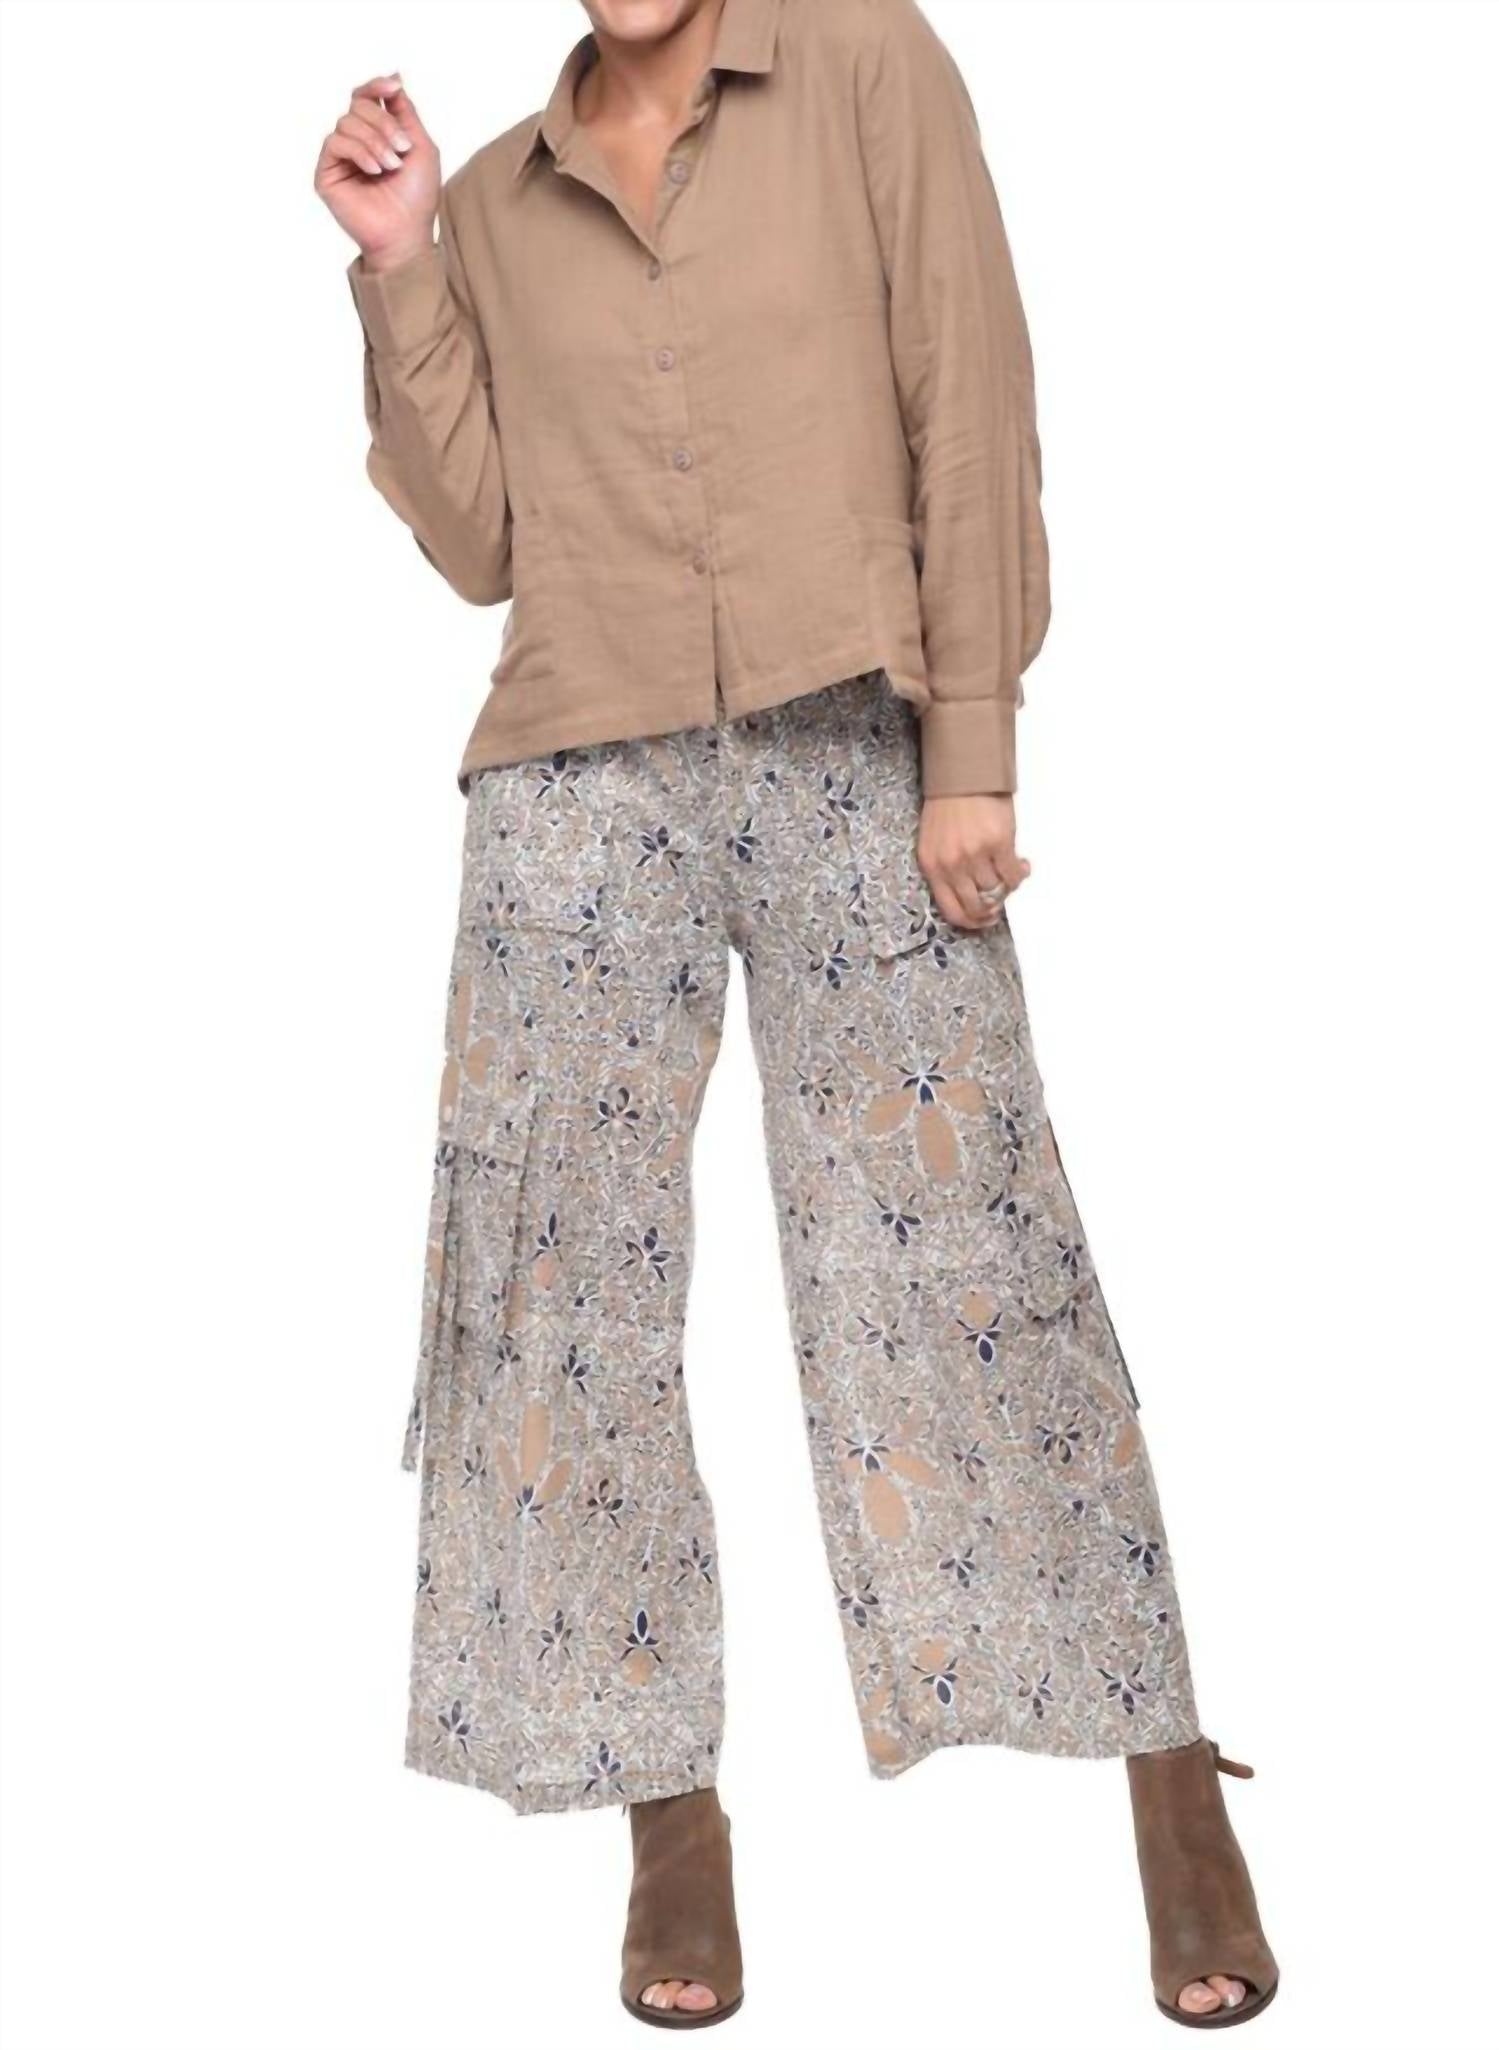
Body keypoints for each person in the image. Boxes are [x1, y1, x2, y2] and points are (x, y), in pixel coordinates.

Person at [315, 0, 1277, 2029]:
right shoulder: (493, 197)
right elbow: (481, 541)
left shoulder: (861, 64)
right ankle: (665, 1809)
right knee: (559, 1291)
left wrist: (974, 741)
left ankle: (1166, 1761)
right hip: (582, 778)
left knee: (971, 1254)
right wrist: (400, 263)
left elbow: (968, 390)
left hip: (857, 735)